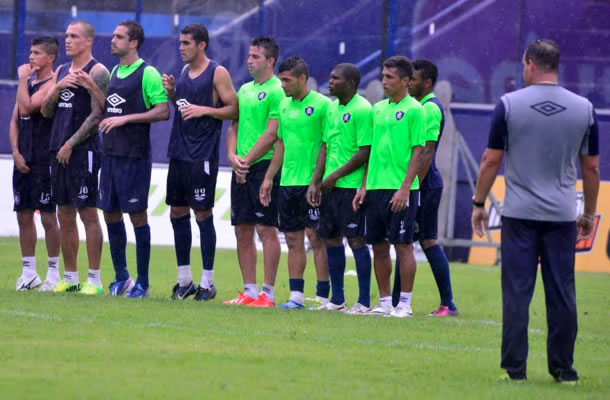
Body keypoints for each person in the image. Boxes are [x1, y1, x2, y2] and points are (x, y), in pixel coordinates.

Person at [471, 39, 599, 383]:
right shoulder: (584, 109)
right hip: (561, 217)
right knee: (562, 294)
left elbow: (490, 160)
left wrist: (479, 204)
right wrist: (588, 214)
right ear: (556, 66)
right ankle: (564, 370)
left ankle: (515, 370)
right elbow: (591, 168)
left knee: (517, 293)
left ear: (529, 64)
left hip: (519, 216)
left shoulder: (509, 105)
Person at [162, 23, 237, 301]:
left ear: (201, 45)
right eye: (180, 42)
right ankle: (184, 281)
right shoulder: (184, 72)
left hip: (201, 155)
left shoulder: (217, 72)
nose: (181, 47)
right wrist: (172, 92)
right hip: (179, 153)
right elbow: (183, 109)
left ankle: (208, 282)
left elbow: (234, 109)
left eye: (186, 43)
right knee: (177, 213)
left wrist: (205, 109)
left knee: (202, 214)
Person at [97, 20, 169, 298]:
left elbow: (163, 111)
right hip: (110, 155)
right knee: (110, 213)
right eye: (113, 35)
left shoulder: (148, 73)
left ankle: (143, 282)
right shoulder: (114, 71)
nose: (112, 40)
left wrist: (126, 119)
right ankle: (121, 278)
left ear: (134, 42)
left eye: (119, 37)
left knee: (137, 216)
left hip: (134, 157)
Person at [41, 20, 109, 294]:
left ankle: (94, 279)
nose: (67, 40)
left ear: (88, 41)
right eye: (66, 35)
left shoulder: (98, 71)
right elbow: (46, 111)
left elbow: (99, 114)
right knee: (64, 213)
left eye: (74, 36)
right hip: (58, 149)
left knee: (87, 213)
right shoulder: (60, 71)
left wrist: (71, 143)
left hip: (84, 151)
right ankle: (70, 278)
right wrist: (57, 88)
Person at [259, 56, 330, 309]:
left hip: (312, 183)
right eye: (281, 80)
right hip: (288, 182)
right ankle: (296, 297)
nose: (283, 85)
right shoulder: (283, 105)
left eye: (287, 80)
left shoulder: (323, 105)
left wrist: (316, 180)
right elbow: (281, 143)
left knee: (316, 237)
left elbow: (326, 145)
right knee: (292, 239)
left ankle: (323, 298)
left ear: (302, 78)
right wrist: (269, 177)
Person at [356, 55, 424, 317]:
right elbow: (371, 152)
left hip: (401, 189)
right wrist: (364, 185)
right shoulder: (377, 109)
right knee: (379, 246)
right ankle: (385, 302)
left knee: (403, 245)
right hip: (375, 188)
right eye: (383, 76)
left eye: (390, 77)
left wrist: (405, 188)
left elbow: (418, 152)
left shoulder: (415, 110)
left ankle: (404, 304)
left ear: (405, 81)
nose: (384, 81)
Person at [391, 59, 458, 316]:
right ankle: (395, 302)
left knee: (426, 240)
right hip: (419, 184)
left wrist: (411, 188)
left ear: (427, 83)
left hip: (424, 185)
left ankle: (448, 304)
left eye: (414, 79)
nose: (409, 83)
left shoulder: (429, 109)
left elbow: (427, 151)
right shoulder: (418, 106)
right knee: (404, 239)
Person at [224, 36, 285, 307]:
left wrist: (246, 160)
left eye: (255, 57)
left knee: (265, 228)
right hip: (241, 166)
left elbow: (272, 134)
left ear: (270, 61)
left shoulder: (278, 91)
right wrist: (232, 156)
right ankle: (249, 292)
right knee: (242, 228)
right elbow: (234, 126)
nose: (249, 61)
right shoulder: (245, 89)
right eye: (249, 56)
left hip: (262, 166)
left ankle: (267, 293)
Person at [310, 63, 373, 313]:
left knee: (356, 240)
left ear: (351, 83)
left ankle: (364, 302)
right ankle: (337, 300)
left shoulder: (363, 109)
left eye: (336, 78)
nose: (330, 82)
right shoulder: (331, 108)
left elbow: (365, 151)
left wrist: (335, 175)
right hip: (330, 187)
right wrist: (316, 181)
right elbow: (325, 146)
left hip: (350, 186)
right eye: (330, 77)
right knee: (331, 239)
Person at [11, 36, 61, 291]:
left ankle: (53, 273)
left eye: (37, 53)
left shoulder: (52, 84)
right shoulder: (28, 83)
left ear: (50, 57)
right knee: (23, 215)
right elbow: (15, 120)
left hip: (44, 161)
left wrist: (21, 80)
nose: (31, 57)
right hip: (23, 159)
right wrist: (15, 152)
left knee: (48, 217)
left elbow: (28, 108)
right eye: (30, 52)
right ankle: (29, 273)